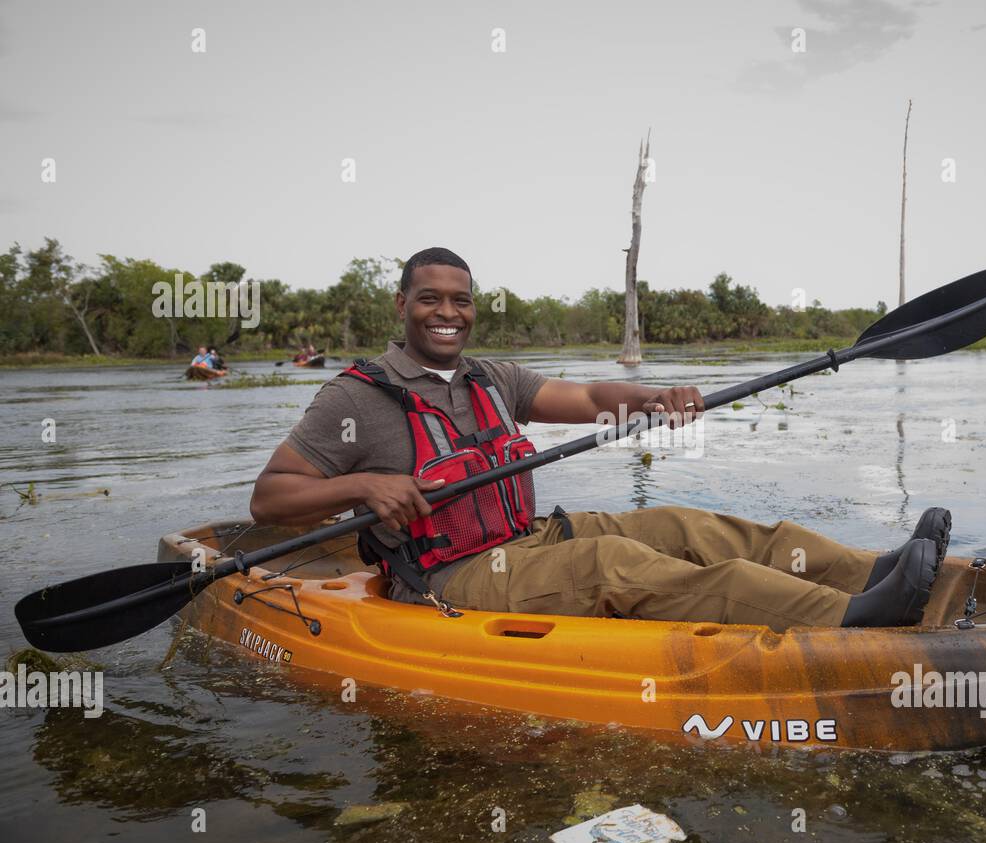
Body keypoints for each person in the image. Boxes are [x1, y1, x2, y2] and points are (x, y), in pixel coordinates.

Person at [249, 247, 946, 631]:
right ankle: (850, 617)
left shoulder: (490, 375)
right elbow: (270, 499)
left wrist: (648, 399)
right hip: (446, 576)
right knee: (613, 562)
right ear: (401, 305)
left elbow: (584, 398)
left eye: (460, 299)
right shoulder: (355, 396)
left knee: (682, 524)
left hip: (528, 538)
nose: (447, 312)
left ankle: (868, 570)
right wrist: (364, 485)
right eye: (430, 298)